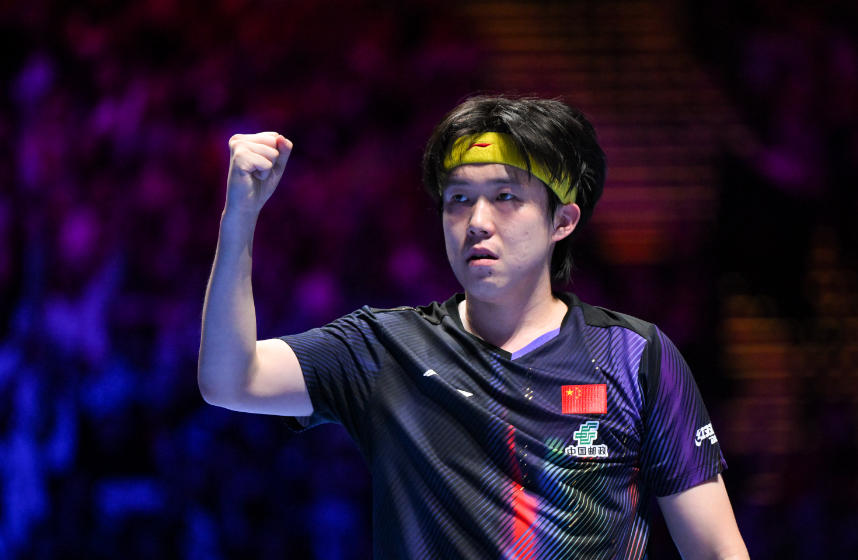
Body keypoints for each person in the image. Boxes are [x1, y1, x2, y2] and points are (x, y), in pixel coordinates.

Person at [198, 95, 749, 559]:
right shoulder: (386, 351)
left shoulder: (636, 358)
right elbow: (230, 380)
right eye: (458, 200)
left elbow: (717, 551)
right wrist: (239, 215)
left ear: (562, 221)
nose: (477, 222)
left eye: (506, 197)